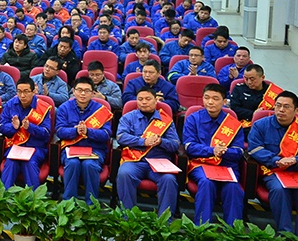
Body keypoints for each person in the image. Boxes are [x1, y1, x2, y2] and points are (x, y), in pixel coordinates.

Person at [183, 83, 245, 225]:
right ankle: (202, 228)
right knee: (206, 183)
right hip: (201, 165)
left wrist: (225, 151)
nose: (210, 102)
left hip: (226, 166)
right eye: (207, 98)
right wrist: (212, 151)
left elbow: (239, 152)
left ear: (224, 101)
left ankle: (233, 232)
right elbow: (189, 147)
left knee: (233, 188)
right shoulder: (193, 119)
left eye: (215, 98)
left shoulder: (233, 124)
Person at [248, 91, 298, 236]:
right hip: (273, 171)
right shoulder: (261, 125)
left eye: (286, 107)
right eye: (278, 105)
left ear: (297, 110)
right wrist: (276, 160)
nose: (281, 110)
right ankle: (285, 234)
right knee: (279, 190)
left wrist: (296, 160)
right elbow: (255, 149)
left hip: (297, 170)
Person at [116, 87, 180, 215]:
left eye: (148, 99)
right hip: (135, 160)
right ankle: (128, 217)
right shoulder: (128, 117)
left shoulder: (165, 120)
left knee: (169, 179)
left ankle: (165, 220)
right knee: (124, 174)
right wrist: (143, 141)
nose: (144, 102)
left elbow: (175, 144)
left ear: (156, 100)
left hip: (159, 162)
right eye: (140, 99)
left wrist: (161, 142)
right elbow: (121, 137)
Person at [56, 77, 112, 201]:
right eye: (79, 90)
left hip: (94, 150)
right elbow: (59, 131)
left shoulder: (101, 110)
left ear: (93, 93)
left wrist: (89, 132)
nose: (83, 93)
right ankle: (69, 203)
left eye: (87, 91)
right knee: (73, 163)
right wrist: (75, 131)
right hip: (71, 150)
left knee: (89, 165)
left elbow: (106, 134)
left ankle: (91, 205)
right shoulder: (64, 108)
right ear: (73, 91)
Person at [0, 77, 52, 189]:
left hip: (36, 148)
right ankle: (4, 197)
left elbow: (46, 133)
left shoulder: (43, 107)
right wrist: (14, 127)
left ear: (34, 91)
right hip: (15, 146)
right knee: (11, 163)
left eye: (26, 92)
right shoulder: (10, 104)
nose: (22, 95)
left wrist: (30, 128)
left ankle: (33, 198)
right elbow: (2, 128)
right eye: (19, 91)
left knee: (29, 163)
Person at [229, 64, 282, 131]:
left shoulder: (272, 92)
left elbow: (278, 110)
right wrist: (253, 114)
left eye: (252, 79)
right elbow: (234, 108)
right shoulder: (239, 89)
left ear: (262, 77)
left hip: (268, 125)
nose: (249, 82)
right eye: (246, 78)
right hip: (244, 124)